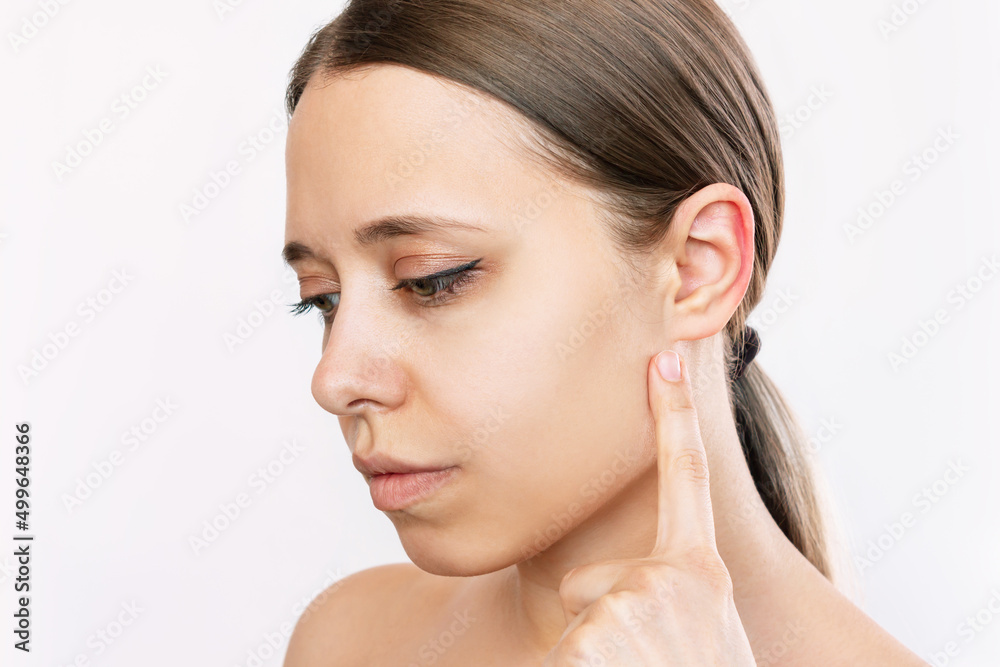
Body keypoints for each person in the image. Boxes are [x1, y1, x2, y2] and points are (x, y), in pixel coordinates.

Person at [279, 1, 927, 663]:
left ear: (697, 267)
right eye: (321, 298)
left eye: (432, 278)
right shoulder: (349, 640)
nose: (335, 378)